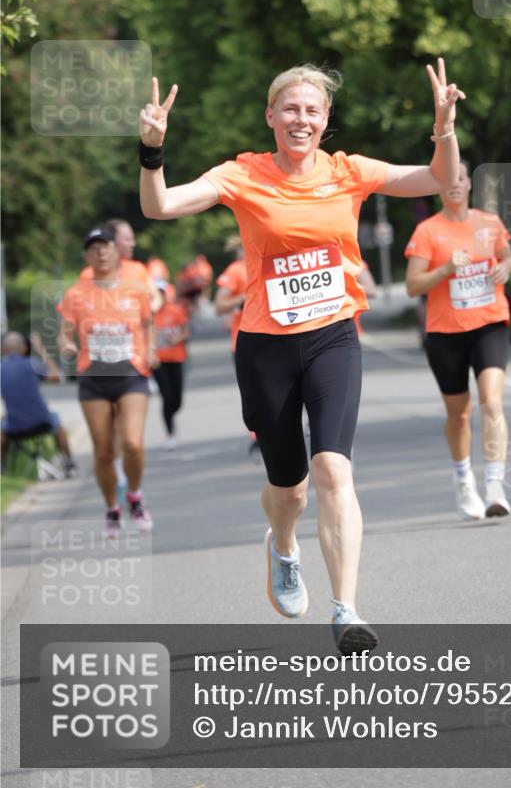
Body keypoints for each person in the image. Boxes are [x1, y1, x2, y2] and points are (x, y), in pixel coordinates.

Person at [139, 59, 463, 652]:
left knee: (334, 467)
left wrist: (444, 127)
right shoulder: (243, 174)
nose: (301, 119)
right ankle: (283, 546)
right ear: (271, 116)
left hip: (333, 336)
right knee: (288, 490)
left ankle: (347, 608)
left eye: (312, 110)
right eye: (290, 108)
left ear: (326, 118)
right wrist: (152, 149)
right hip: (266, 347)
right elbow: (159, 206)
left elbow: (439, 178)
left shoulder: (349, 171)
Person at [405, 161, 511, 520]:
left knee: (491, 401)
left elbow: (507, 256)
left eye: (461, 178)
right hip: (445, 334)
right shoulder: (427, 231)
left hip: (489, 323)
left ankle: (495, 486)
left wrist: (505, 268)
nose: (454, 184)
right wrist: (446, 269)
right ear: (439, 187)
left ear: (469, 184)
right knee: (459, 416)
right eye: (448, 179)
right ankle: (464, 479)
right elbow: (412, 286)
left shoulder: (489, 223)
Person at [58, 227, 155, 537]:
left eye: (105, 246)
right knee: (102, 453)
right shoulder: (76, 294)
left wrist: (151, 348)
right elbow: (64, 333)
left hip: (131, 375)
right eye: (93, 248)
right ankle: (112, 507)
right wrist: (66, 345)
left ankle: (135, 497)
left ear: (115, 252)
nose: (100, 252)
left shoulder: (134, 289)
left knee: (132, 444)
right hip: (94, 379)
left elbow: (148, 322)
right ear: (86, 256)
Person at [1, 331, 75, 476]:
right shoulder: (32, 364)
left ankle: (2, 467)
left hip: (14, 426)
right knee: (57, 423)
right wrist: (41, 350)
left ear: (2, 349)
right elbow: (57, 377)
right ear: (24, 347)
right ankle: (69, 462)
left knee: (2, 428)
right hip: (42, 422)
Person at [214, 235, 259, 457]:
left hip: (280, 337)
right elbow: (219, 305)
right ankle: (258, 435)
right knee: (256, 392)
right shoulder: (235, 270)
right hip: (244, 340)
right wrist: (241, 298)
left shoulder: (274, 260)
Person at [152, 279, 189, 448]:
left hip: (176, 358)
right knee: (166, 396)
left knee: (177, 399)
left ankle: (170, 414)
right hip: (158, 362)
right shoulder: (148, 314)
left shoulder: (175, 311)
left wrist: (177, 338)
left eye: (161, 293)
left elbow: (185, 331)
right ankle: (170, 433)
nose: (158, 296)